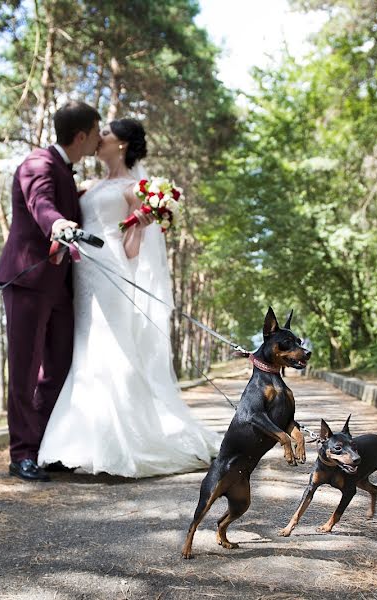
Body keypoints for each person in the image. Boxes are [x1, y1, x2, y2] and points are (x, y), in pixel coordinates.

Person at [38, 118, 221, 477]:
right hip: (82, 272)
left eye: (106, 134)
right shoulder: (88, 185)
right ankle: (78, 446)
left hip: (112, 271)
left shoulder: (134, 188)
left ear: (121, 145)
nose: (99, 138)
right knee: (86, 348)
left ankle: (121, 445)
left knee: (113, 347)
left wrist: (142, 221)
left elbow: (133, 249)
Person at [0, 101, 101, 482]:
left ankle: (45, 446)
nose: (100, 139)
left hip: (60, 287)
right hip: (27, 279)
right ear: (81, 136)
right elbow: (41, 203)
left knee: (58, 366)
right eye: (97, 132)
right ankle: (21, 453)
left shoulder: (64, 171)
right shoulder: (37, 163)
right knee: (24, 370)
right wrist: (57, 224)